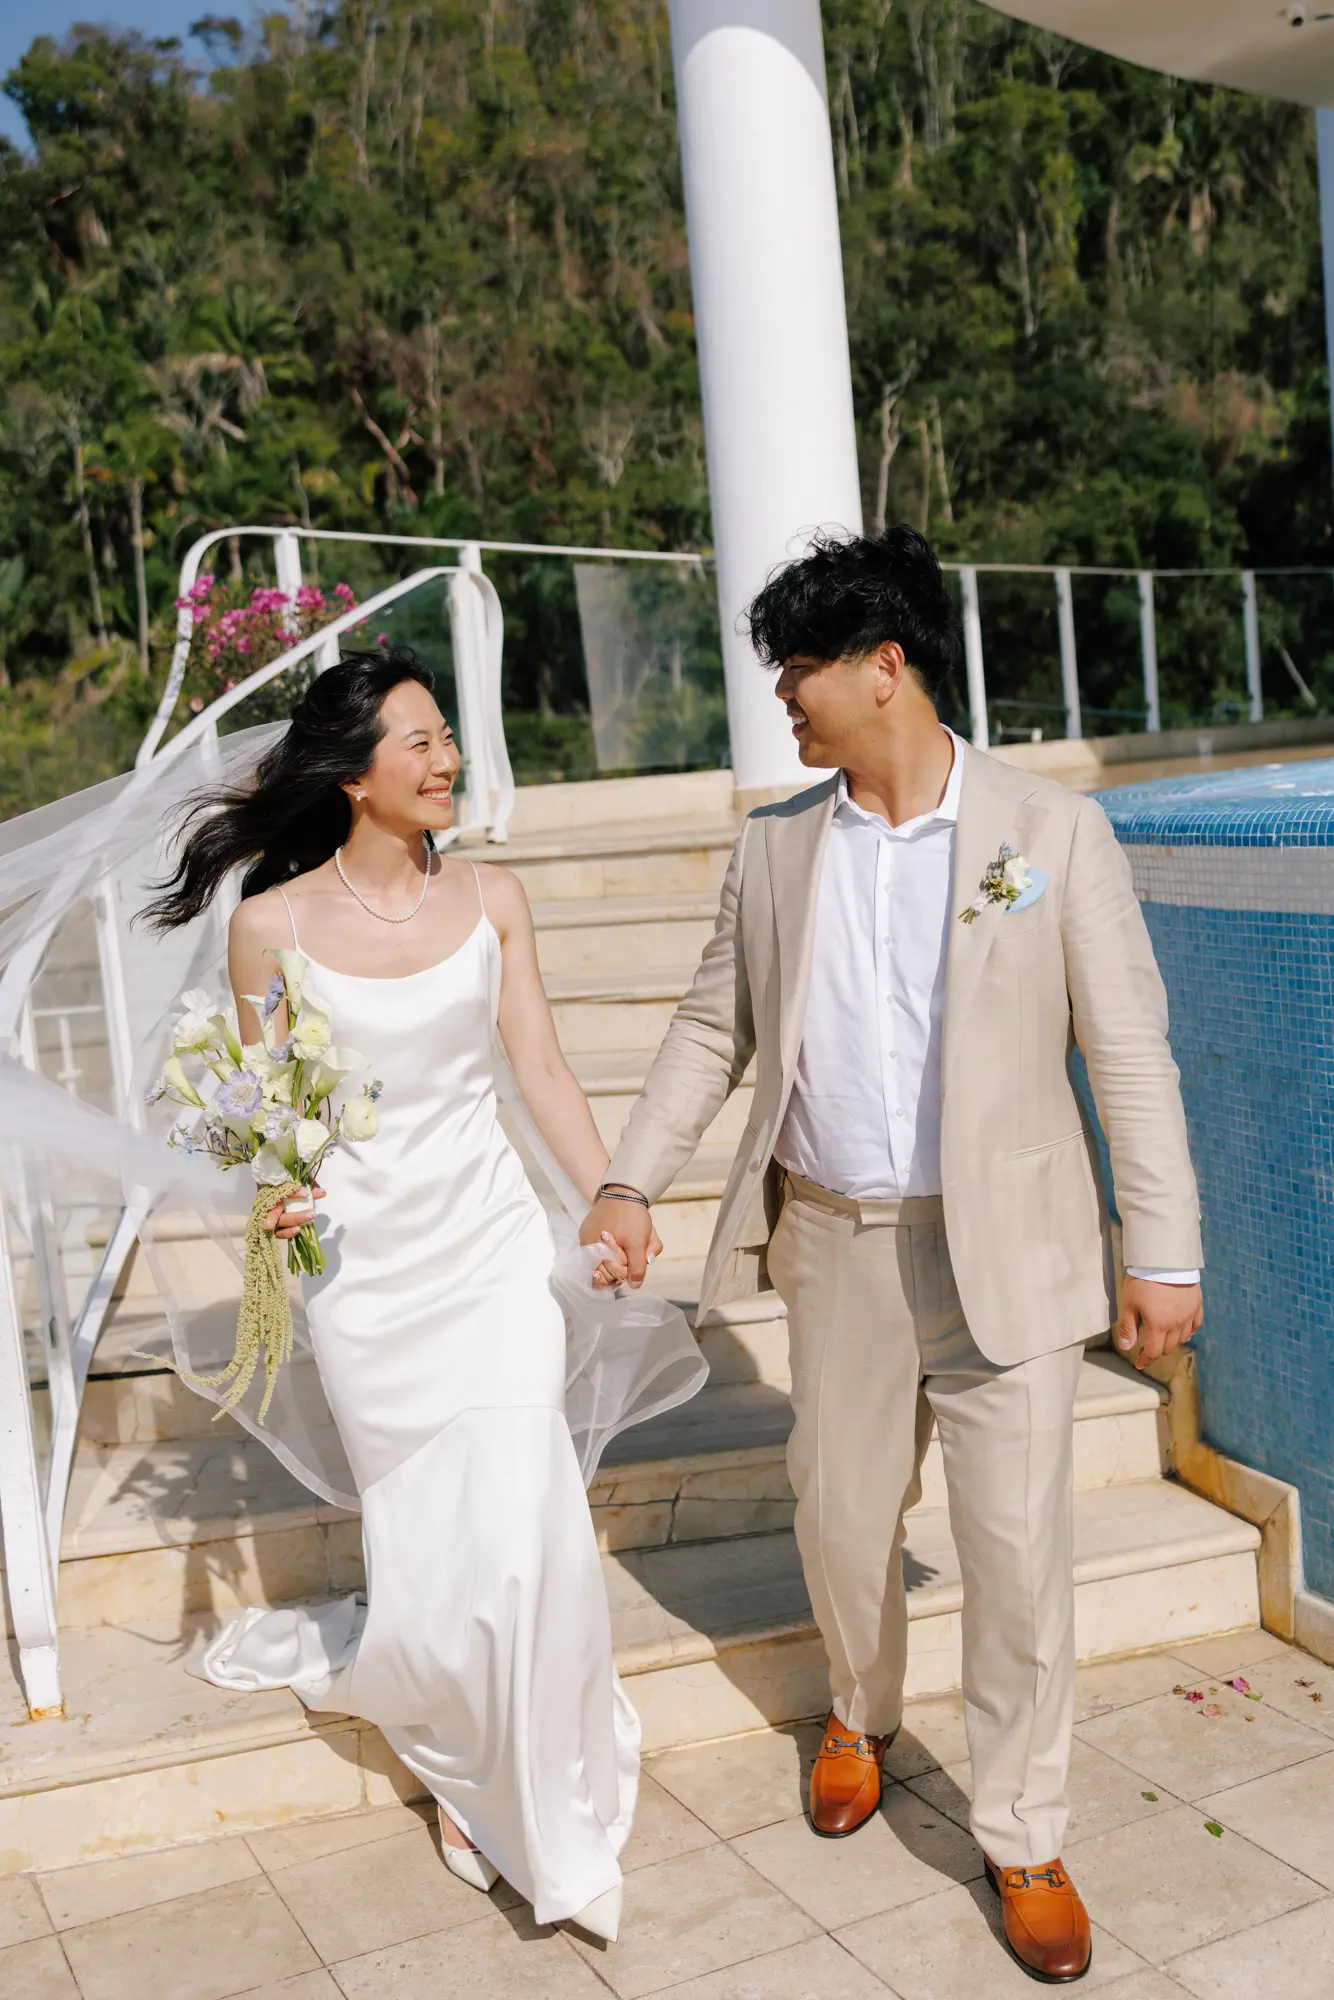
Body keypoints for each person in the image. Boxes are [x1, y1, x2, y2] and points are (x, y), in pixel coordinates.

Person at [580, 528, 1203, 1984]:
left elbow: (1128, 1055)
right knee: (842, 1518)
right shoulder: (779, 843)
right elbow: (703, 1031)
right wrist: (626, 1176)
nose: (783, 700)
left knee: (1016, 1560)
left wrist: (1161, 1248)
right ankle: (858, 1709)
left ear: (884, 665)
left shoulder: (1050, 836)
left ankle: (1024, 1832)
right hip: (838, 1247)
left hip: (1014, 1255)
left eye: (799, 671)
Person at [144, 647, 703, 1942]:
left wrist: (611, 1193)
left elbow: (545, 1072)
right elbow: (269, 1108)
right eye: (421, 740)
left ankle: (531, 1764)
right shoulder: (268, 925)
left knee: (523, 1508)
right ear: (351, 775)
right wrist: (274, 1190)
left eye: (447, 737)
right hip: (362, 1274)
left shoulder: (495, 899)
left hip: (492, 1247)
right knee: (430, 1529)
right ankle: (459, 1752)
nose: (448, 758)